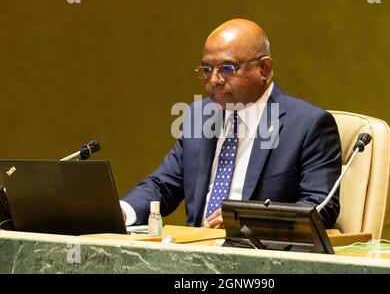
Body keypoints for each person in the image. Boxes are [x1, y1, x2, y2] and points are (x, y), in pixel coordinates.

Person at [120, 18, 342, 229]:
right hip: (197, 256)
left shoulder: (308, 125)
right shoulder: (200, 115)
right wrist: (122, 211)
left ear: (264, 69)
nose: (215, 80)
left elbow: (321, 208)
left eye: (228, 69)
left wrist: (246, 221)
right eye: (207, 70)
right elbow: (163, 185)